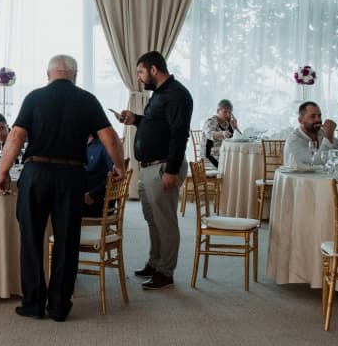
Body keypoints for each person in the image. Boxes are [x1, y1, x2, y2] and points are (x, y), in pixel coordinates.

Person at [0, 55, 124, 323]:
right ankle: (58, 306)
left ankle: (33, 303)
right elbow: (110, 137)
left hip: (36, 172)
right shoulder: (87, 100)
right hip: (71, 176)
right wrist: (120, 166)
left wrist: (3, 171)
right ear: (74, 75)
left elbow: (16, 136)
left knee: (31, 239)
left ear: (48, 75)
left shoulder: (34, 97)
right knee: (67, 240)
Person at [116, 51, 192, 291]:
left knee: (165, 221)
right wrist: (135, 119)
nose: (139, 77)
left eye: (140, 72)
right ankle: (155, 262)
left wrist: (171, 170)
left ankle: (165, 272)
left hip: (163, 167)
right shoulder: (159, 94)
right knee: (152, 219)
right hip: (149, 168)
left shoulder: (177, 94)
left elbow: (179, 134)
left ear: (153, 70)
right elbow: (158, 125)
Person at [285, 101, 338, 166]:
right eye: (313, 116)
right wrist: (328, 136)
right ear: (300, 120)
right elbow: (316, 162)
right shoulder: (294, 141)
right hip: (301, 173)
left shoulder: (321, 133)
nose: (318, 120)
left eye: (319, 116)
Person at [82, 133, 114, 218]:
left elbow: (114, 176)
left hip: (99, 202)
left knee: (60, 208)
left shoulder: (105, 145)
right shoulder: (77, 145)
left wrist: (92, 194)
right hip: (81, 198)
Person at [201, 99, 239, 167]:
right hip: (210, 158)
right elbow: (210, 134)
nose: (228, 115)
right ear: (218, 111)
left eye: (230, 112)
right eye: (225, 112)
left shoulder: (227, 124)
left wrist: (236, 127)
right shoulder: (211, 122)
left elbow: (239, 138)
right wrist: (222, 133)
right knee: (233, 166)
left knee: (239, 162)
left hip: (223, 155)